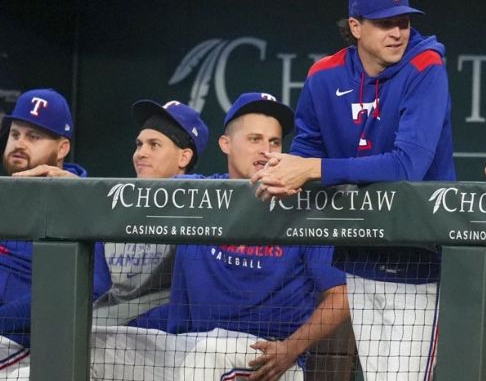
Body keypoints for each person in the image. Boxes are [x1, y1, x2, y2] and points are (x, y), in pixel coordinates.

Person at [252, 0, 454, 379]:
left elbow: (407, 165)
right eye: (384, 23)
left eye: (403, 22)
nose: (398, 33)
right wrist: (284, 169)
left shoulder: (425, 67)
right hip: (359, 255)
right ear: (356, 26)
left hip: (418, 260)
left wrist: (312, 170)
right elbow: (308, 144)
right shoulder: (324, 75)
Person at [90, 92, 349, 381]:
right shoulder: (199, 196)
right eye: (254, 139)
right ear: (226, 144)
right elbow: (135, 193)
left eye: (274, 142)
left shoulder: (301, 206)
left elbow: (339, 296)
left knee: (204, 358)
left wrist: (290, 349)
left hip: (267, 357)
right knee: (91, 345)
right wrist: (72, 187)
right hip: (188, 346)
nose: (266, 150)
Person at [0, 89, 109, 377]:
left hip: (28, 340)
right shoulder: (6, 193)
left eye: (34, 137)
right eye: (15, 134)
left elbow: (91, 286)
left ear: (62, 149)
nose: (19, 144)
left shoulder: (79, 200)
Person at [91, 99, 209, 328]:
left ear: (183, 157)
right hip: (102, 329)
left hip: (158, 337)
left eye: (154, 145)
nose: (140, 153)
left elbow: (190, 303)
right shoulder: (111, 210)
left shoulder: (199, 214)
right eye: (139, 144)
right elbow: (96, 289)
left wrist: (132, 326)